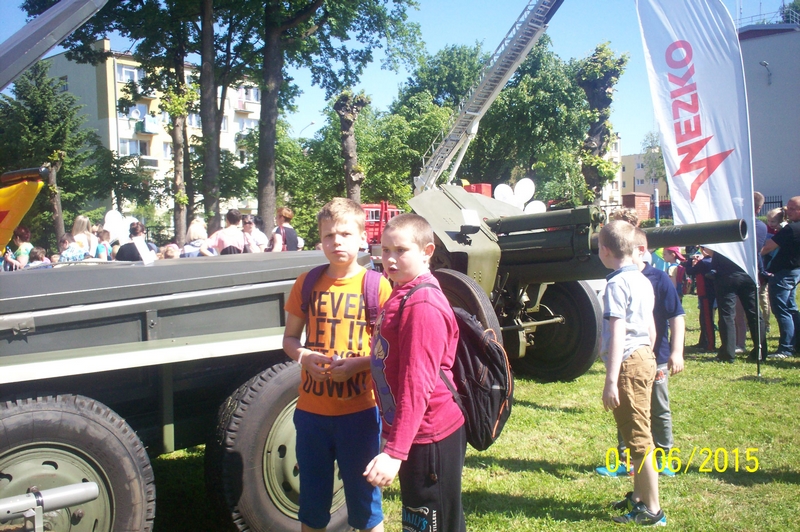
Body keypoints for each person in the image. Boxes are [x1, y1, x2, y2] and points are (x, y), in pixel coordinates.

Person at [282, 198, 391, 532]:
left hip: (360, 414)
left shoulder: (377, 286)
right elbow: (290, 339)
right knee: (311, 506)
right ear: (320, 239)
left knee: (366, 505)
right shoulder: (306, 283)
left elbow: (391, 353)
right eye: (329, 235)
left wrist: (357, 366)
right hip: (312, 414)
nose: (336, 242)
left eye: (345, 234)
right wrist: (304, 356)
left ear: (362, 238)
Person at [364, 213, 467, 532]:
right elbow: (395, 357)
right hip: (413, 432)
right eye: (385, 250)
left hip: (430, 435)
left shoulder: (422, 304)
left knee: (430, 522)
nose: (390, 259)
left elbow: (417, 383)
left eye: (401, 250)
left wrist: (394, 452)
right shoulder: (402, 291)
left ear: (427, 251)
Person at [597, 228, 685, 480]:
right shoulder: (634, 280)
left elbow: (674, 316)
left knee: (655, 411)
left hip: (645, 357)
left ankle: (661, 460)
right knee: (629, 412)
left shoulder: (651, 279)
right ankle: (627, 461)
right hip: (640, 355)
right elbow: (648, 326)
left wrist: (675, 352)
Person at [597, 220, 664, 526]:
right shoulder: (642, 279)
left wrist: (611, 381)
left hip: (627, 362)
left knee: (638, 439)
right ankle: (638, 496)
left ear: (604, 251)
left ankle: (653, 509)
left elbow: (618, 332)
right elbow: (651, 326)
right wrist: (648, 356)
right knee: (638, 429)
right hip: (644, 356)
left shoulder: (615, 284)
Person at [711, 244, 768, 363]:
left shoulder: (724, 239)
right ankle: (761, 351)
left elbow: (716, 254)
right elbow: (756, 253)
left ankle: (727, 353)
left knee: (727, 315)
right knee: (754, 314)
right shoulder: (748, 237)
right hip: (748, 274)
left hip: (726, 275)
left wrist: (714, 270)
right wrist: (760, 270)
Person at [761, 196, 800, 358]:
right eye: (788, 208)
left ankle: (786, 347)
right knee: (791, 308)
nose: (788, 211)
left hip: (784, 273)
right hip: (794, 271)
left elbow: (767, 247)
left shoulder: (791, 229)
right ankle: (796, 344)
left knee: (782, 310)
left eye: (793, 209)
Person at [683, 247, 716, 351]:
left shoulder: (704, 262)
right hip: (707, 293)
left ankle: (710, 344)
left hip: (706, 294)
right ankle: (703, 342)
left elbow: (690, 270)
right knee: (704, 319)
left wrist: (690, 260)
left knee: (707, 320)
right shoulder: (710, 261)